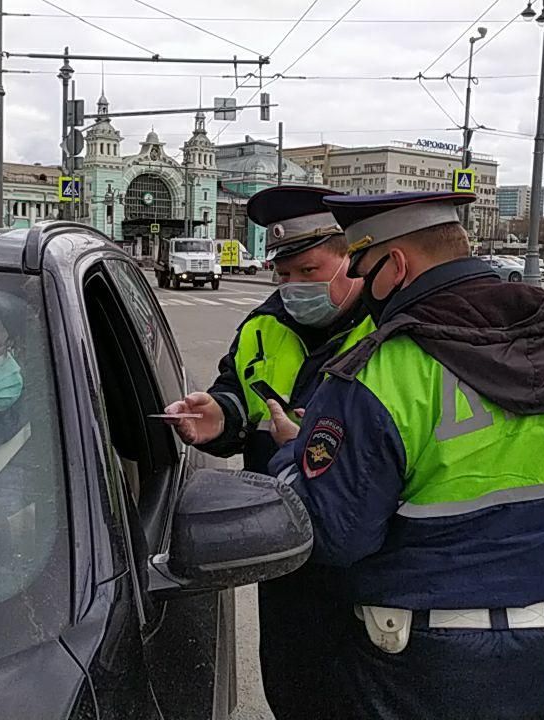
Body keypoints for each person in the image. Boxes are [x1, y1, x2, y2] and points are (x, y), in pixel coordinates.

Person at [266, 191, 544, 720]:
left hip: (409, 655)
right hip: (535, 639)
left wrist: (291, 456)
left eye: (365, 270)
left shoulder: (381, 372)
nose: (363, 287)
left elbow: (337, 535)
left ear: (395, 265)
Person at [163, 185, 374, 720]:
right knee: (295, 689)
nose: (294, 288)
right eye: (283, 275)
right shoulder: (263, 324)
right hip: (284, 556)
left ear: (352, 255)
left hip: (368, 564)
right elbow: (241, 391)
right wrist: (221, 415)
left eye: (309, 271)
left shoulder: (390, 331)